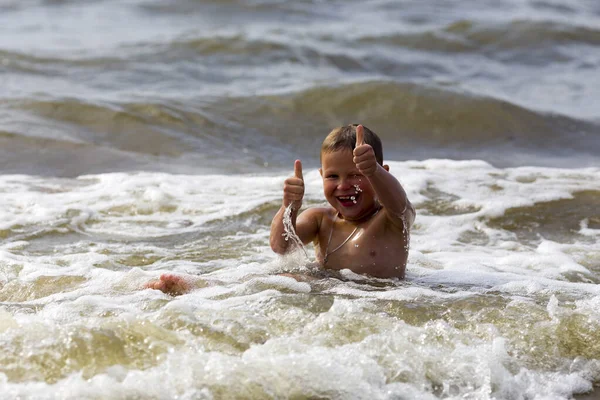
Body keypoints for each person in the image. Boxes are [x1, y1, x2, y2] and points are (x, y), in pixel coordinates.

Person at [270, 124, 415, 279]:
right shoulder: (320, 219)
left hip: (379, 298)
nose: (343, 186)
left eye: (356, 174)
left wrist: (373, 171)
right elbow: (281, 247)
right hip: (334, 299)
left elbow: (401, 205)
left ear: (383, 172)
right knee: (282, 278)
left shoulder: (391, 220)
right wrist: (289, 206)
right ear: (321, 175)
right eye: (332, 176)